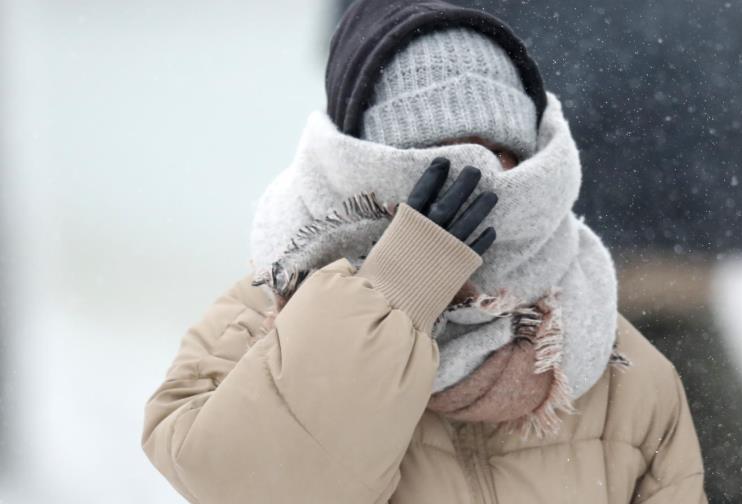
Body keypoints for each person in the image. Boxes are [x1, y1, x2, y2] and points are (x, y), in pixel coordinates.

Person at [141, 0, 707, 502]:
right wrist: (396, 292)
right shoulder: (254, 324)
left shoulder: (616, 366)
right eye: (435, 156)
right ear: (364, 161)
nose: (479, 174)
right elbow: (257, 487)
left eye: (499, 153)